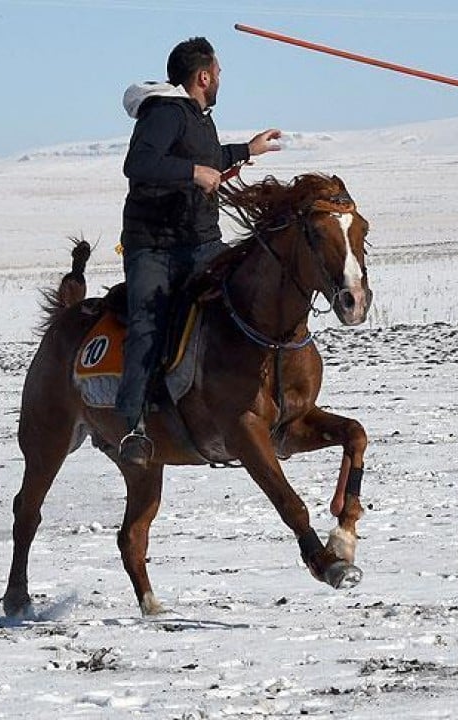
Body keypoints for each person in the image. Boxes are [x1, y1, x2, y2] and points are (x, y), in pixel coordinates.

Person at [115, 36, 282, 465]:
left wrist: (248, 150)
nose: (222, 78)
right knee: (147, 325)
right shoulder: (165, 113)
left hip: (201, 240)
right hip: (155, 246)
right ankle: (131, 426)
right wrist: (192, 173)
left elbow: (207, 157)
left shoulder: (197, 117)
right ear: (203, 76)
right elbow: (138, 164)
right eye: (219, 72)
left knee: (241, 300)